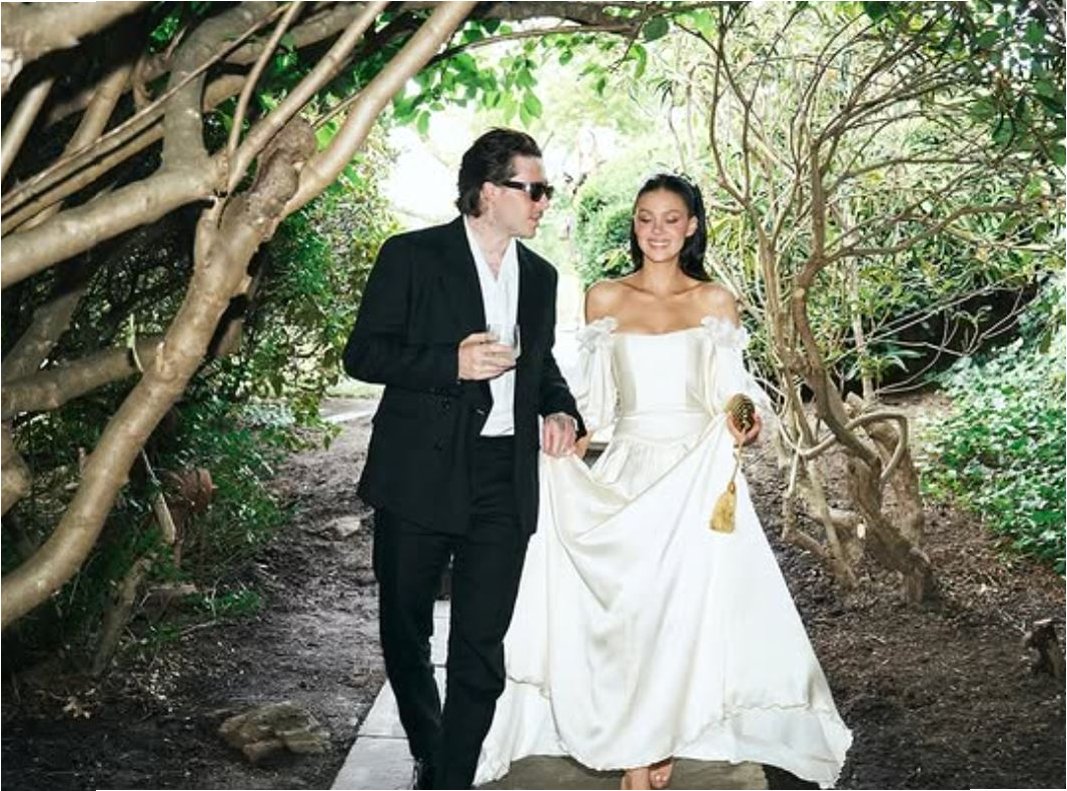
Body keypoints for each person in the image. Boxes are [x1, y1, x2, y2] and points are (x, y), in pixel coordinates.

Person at [475, 173, 852, 789]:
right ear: (634, 225)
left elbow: (731, 392)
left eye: (671, 218)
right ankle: (641, 747)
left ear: (692, 226)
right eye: (645, 218)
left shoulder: (714, 301)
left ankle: (653, 746)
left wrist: (745, 418)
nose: (657, 230)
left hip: (695, 477)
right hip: (629, 472)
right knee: (632, 615)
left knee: (684, 616)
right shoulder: (604, 297)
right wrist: (566, 437)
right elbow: (595, 402)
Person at [343, 128, 584, 790]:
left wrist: (561, 409)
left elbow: (541, 364)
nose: (544, 202)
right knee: (405, 629)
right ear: (488, 191)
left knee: (480, 645)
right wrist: (448, 363)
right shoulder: (412, 256)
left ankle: (449, 778)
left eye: (546, 190)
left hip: (504, 477)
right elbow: (363, 353)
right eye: (533, 189)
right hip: (418, 472)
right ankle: (429, 746)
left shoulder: (541, 277)